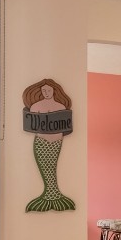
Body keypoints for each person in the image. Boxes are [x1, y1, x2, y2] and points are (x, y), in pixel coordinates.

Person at [22, 78, 75, 211]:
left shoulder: (61, 107)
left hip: (56, 143)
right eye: (43, 90)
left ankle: (53, 195)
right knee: (47, 168)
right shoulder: (35, 107)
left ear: (54, 90)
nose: (46, 92)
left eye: (49, 90)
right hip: (41, 143)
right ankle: (50, 195)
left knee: (52, 167)